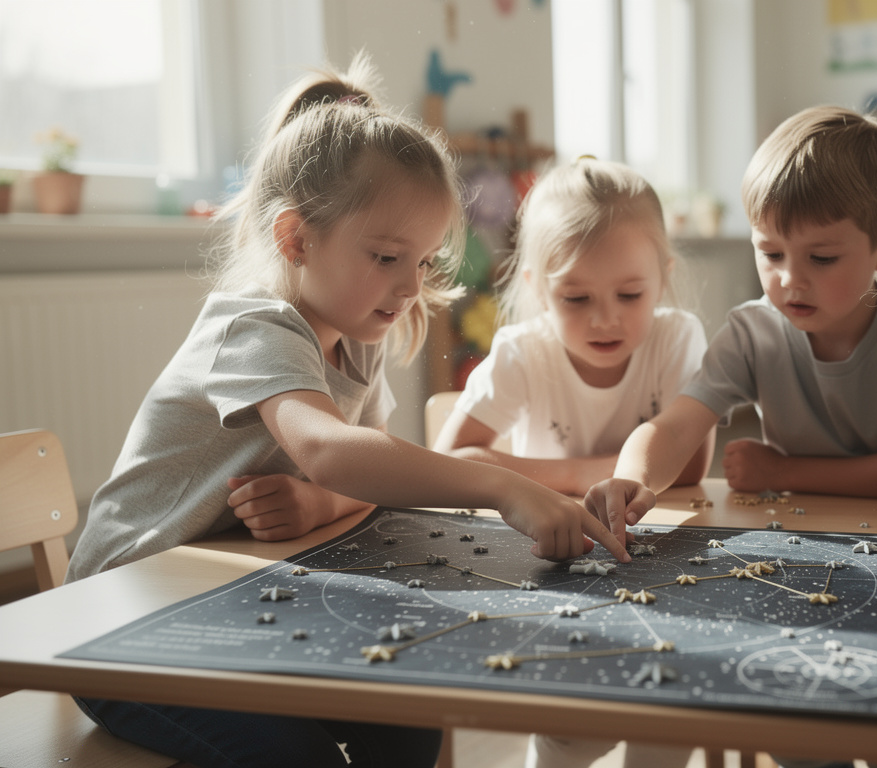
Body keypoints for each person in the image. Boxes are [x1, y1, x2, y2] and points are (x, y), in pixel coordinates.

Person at [65, 54, 628, 768]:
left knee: (406, 704)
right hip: (121, 626)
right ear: (296, 239)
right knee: (301, 754)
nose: (408, 287)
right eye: (388, 256)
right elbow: (332, 451)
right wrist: (503, 486)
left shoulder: (355, 337)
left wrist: (315, 504)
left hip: (230, 596)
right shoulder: (254, 327)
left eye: (421, 263)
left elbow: (363, 478)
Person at [587, 105, 877, 543]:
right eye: (770, 253)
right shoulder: (753, 333)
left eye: (821, 258)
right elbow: (673, 426)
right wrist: (633, 478)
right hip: (796, 529)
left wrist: (784, 471)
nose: (789, 279)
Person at [433, 157, 713, 498]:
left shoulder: (676, 339)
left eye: (629, 295)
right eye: (577, 298)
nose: (605, 320)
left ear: (662, 279)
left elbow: (691, 463)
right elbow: (449, 461)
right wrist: (579, 475)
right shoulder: (522, 351)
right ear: (538, 289)